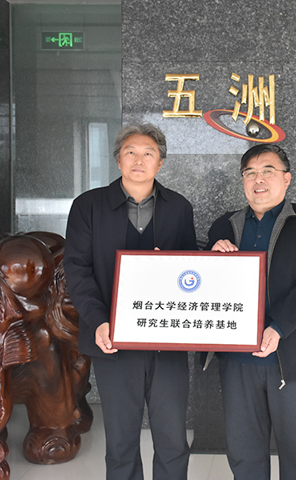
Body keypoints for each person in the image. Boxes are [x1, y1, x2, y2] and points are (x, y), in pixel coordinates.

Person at [63, 123, 196, 480]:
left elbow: (191, 268)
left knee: (172, 439)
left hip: (168, 340)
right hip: (113, 340)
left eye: (148, 153)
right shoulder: (88, 206)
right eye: (130, 152)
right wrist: (99, 321)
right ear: (118, 160)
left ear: (160, 163)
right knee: (121, 441)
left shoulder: (179, 207)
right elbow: (77, 269)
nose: (139, 160)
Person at [207, 144, 296, 480]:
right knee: (244, 453)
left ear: (287, 178)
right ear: (243, 181)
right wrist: (211, 256)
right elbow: (205, 286)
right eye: (250, 173)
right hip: (237, 360)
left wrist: (278, 327)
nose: (258, 179)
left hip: (291, 357)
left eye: (268, 171)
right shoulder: (225, 225)